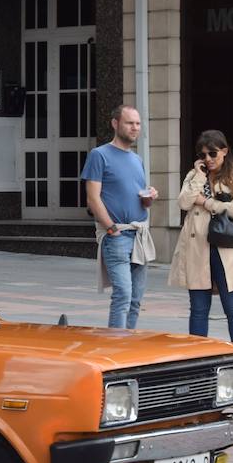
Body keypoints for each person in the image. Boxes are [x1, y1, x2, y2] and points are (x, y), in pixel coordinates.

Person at [168, 130, 233, 352]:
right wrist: (199, 177)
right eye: (203, 155)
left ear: (224, 151)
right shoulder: (194, 176)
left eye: (212, 153)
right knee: (198, 309)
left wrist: (207, 202)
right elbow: (183, 203)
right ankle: (198, 359)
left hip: (227, 247)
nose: (208, 159)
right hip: (197, 247)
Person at [82, 105, 157, 328]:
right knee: (123, 294)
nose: (135, 128)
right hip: (118, 235)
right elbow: (92, 198)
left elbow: (138, 197)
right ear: (115, 124)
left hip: (139, 235)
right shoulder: (99, 155)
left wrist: (149, 198)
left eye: (138, 123)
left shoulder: (137, 160)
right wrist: (111, 228)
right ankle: (116, 348)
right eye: (129, 123)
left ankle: (129, 347)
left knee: (135, 299)